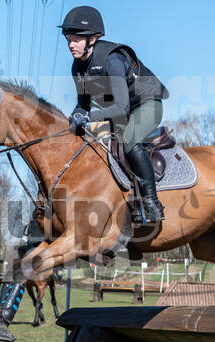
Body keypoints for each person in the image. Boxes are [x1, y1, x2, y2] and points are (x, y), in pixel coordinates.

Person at [59, 6, 170, 224]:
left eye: (76, 39)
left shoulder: (112, 60)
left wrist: (89, 118)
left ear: (93, 38)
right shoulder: (77, 67)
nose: (71, 45)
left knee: (129, 140)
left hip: (146, 103)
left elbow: (121, 108)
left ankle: (151, 203)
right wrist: (71, 122)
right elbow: (82, 105)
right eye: (68, 39)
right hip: (121, 111)